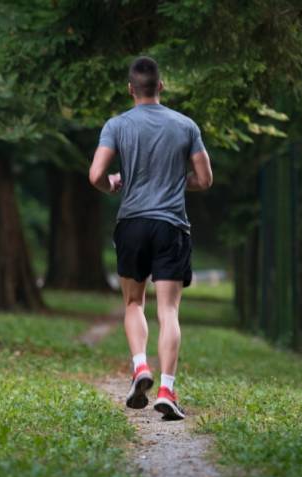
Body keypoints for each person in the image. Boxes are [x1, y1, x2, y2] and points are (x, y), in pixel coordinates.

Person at [88, 56, 213, 421]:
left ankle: (140, 366)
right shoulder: (186, 125)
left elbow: (96, 174)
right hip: (171, 225)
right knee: (169, 310)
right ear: (161, 86)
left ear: (130, 89)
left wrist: (112, 183)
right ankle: (167, 390)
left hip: (132, 225)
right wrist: (178, 181)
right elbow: (205, 180)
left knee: (133, 303)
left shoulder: (117, 125)